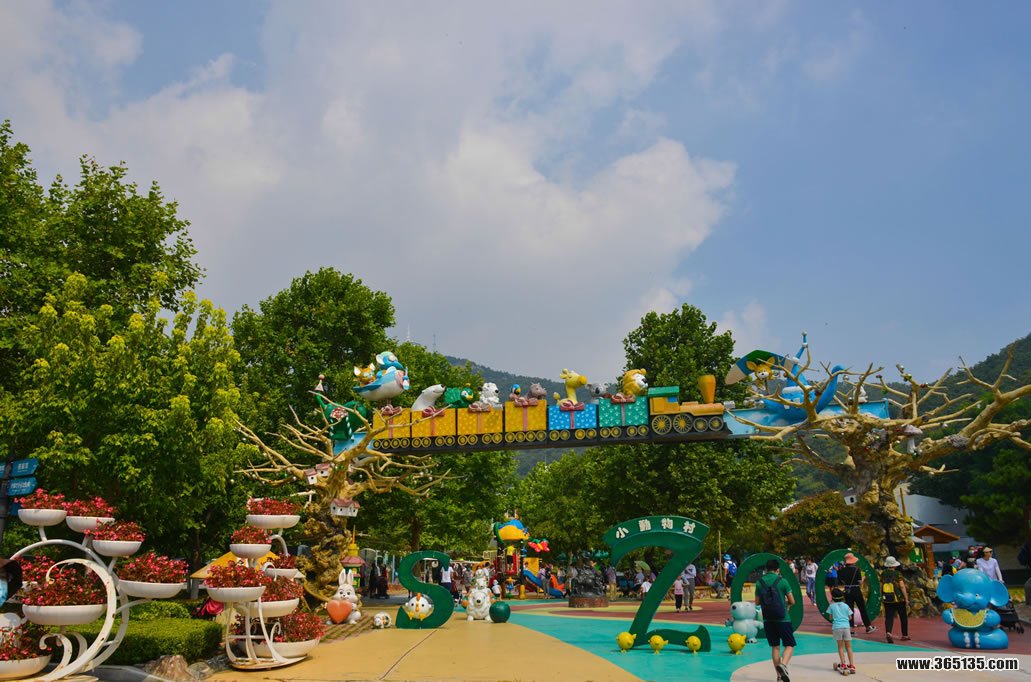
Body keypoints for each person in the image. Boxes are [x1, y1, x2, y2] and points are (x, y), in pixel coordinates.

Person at [756, 558, 795, 681]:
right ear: (777, 569)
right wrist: (787, 605)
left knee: (775, 647)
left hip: (768, 620)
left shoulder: (759, 582)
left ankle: (779, 677)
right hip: (783, 619)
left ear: (766, 569)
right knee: (789, 644)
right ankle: (783, 665)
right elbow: (792, 600)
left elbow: (757, 602)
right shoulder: (782, 581)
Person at [837, 552, 875, 634]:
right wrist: (863, 577)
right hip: (856, 590)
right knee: (862, 608)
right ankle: (868, 626)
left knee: (849, 610)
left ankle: (851, 628)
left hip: (847, 590)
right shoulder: (856, 569)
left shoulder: (842, 570)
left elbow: (841, 581)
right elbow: (860, 582)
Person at [880, 556, 911, 644]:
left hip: (887, 598)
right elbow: (902, 586)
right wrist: (906, 598)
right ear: (894, 565)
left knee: (889, 617)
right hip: (898, 598)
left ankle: (888, 632)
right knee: (903, 616)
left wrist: (882, 596)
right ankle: (905, 635)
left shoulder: (883, 573)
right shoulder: (897, 574)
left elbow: (881, 586)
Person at [828, 588, 856, 674]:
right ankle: (851, 665)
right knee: (849, 647)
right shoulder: (846, 606)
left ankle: (843, 664)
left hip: (837, 627)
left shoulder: (831, 606)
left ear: (832, 597)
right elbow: (850, 617)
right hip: (846, 627)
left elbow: (830, 618)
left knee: (840, 647)